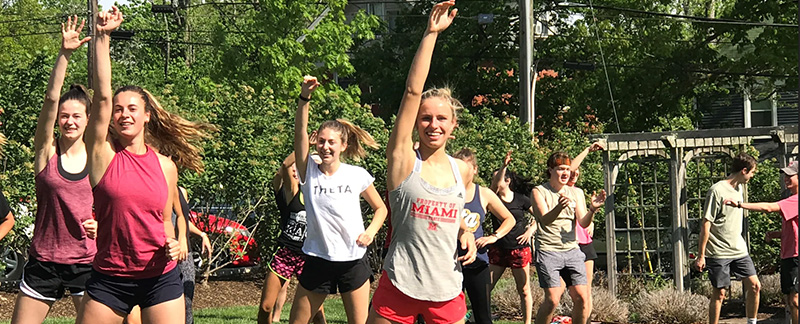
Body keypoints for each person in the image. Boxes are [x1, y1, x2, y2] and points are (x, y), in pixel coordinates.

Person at [77, 6, 211, 323]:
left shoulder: (166, 166)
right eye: (119, 109)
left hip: (160, 278)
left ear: (147, 115)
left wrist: (176, 242)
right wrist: (103, 37)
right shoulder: (102, 155)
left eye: (133, 108)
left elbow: (164, 220)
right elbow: (103, 95)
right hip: (110, 278)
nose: (125, 114)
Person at [368, 2, 478, 324]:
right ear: (416, 123)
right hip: (399, 285)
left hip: (446, 290)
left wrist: (466, 232)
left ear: (453, 125)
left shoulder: (463, 171)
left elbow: (461, 214)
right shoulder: (403, 162)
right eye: (426, 118)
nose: (434, 124)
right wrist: (431, 33)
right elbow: (413, 91)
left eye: (442, 118)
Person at [10, 16, 98, 324]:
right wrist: (64, 54)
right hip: (44, 262)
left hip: (87, 262)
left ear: (88, 119)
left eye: (76, 116)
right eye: (64, 116)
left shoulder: (98, 158)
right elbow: (49, 100)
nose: (69, 121)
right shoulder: (46, 153)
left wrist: (101, 225)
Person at [288, 76, 387, 324]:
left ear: (342, 145)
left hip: (353, 261)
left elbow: (381, 209)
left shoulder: (356, 175)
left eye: (331, 142)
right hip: (318, 260)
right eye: (321, 141)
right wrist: (304, 98)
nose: (325, 146)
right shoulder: (308, 169)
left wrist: (371, 232)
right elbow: (299, 134)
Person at [531, 151, 605, 324]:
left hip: (572, 250)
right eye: (560, 169)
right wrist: (559, 207)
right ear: (550, 170)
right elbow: (544, 220)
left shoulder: (576, 192)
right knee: (552, 300)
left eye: (567, 169)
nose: (565, 173)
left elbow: (583, 223)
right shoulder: (539, 191)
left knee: (581, 297)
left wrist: (592, 210)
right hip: (549, 251)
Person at [727, 161, 799, 324]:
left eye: (790, 176)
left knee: (795, 300)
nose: (786, 179)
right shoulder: (791, 199)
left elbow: (768, 207)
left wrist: (739, 204)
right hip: (788, 255)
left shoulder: (795, 200)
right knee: (790, 300)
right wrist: (775, 235)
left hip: (796, 256)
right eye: (785, 176)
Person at [258, 152, 326, 324]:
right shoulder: (294, 191)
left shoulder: (324, 197)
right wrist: (304, 147)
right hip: (286, 254)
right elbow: (286, 166)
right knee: (266, 307)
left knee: (317, 313)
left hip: (310, 257)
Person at [694, 152, 761, 324]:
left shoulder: (739, 189)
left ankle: (751, 322)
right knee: (720, 293)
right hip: (718, 252)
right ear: (744, 171)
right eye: (752, 172)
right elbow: (706, 224)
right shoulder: (717, 191)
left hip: (738, 249)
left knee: (755, 286)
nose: (752, 176)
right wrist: (701, 255)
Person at [453, 148, 516, 324]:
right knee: (448, 316)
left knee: (483, 316)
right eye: (459, 168)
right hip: (449, 262)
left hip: (477, 262)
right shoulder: (446, 192)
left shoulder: (484, 193)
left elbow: (508, 219)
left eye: (467, 168)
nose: (463, 172)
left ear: (475, 169)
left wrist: (494, 236)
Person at [488, 150, 535, 324]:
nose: (495, 182)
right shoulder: (492, 198)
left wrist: (531, 230)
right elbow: (493, 187)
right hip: (498, 249)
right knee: (486, 288)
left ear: (507, 181)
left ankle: (527, 322)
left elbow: (542, 217)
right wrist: (504, 165)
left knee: (523, 290)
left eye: (498, 178)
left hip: (519, 250)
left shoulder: (521, 199)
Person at [566, 142, 605, 324]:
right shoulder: (561, 190)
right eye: (571, 172)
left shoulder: (579, 192)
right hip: (568, 245)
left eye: (577, 173)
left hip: (585, 244)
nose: (574, 174)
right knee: (573, 292)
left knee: (586, 289)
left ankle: (586, 321)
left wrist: (593, 216)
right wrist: (588, 150)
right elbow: (571, 165)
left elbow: (585, 216)